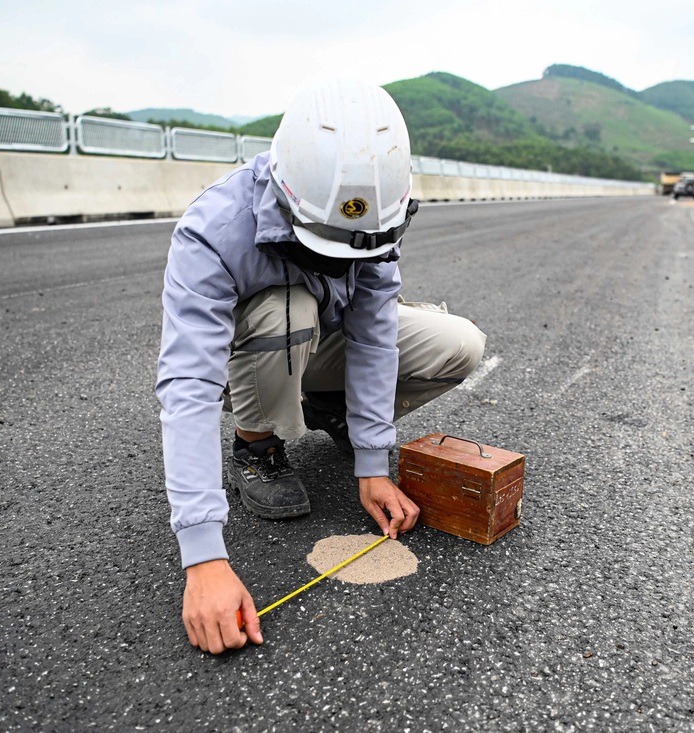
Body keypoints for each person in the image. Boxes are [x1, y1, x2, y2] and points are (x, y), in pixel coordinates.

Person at [156, 79, 487, 654]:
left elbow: (376, 335)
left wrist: (373, 462)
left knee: (461, 344)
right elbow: (188, 384)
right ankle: (256, 445)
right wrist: (203, 557)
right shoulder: (213, 230)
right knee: (290, 306)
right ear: (288, 195)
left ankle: (334, 409)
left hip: (321, 346)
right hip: (255, 357)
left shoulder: (377, 212)